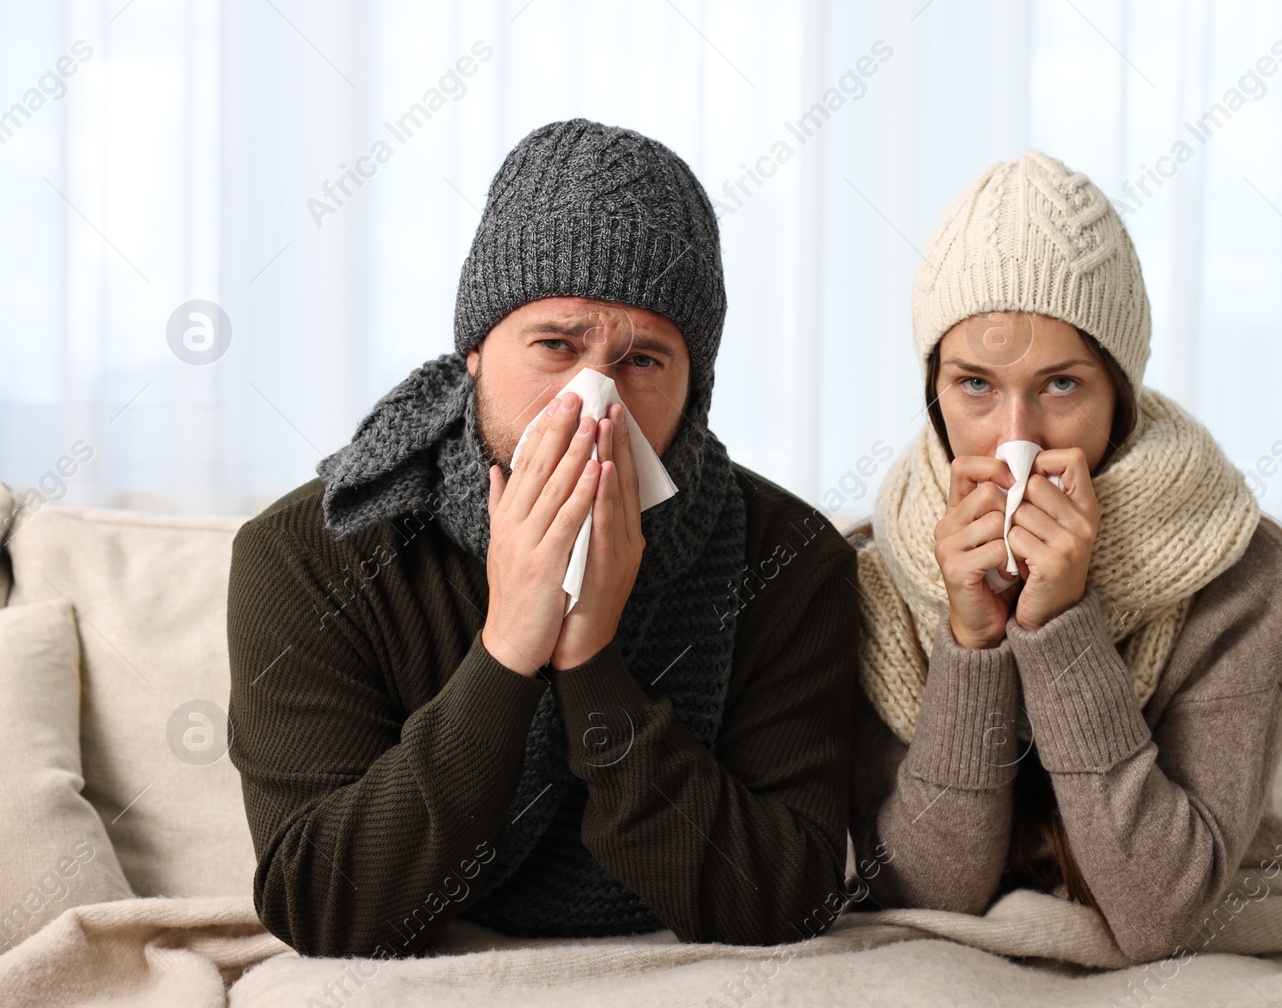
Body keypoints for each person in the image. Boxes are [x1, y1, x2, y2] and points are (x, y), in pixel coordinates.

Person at [226, 118, 858, 959]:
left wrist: (592, 660)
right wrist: (510, 645)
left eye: (642, 361)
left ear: (694, 391)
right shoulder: (311, 552)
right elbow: (324, 905)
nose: (593, 401)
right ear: (477, 353)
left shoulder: (788, 559)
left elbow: (786, 897)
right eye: (556, 345)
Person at [848, 150, 1282, 963]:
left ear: (1120, 391)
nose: (1016, 437)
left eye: (1061, 384)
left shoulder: (1244, 574)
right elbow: (928, 898)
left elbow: (1161, 914)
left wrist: (1064, 626)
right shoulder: (873, 571)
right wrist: (971, 646)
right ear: (934, 390)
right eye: (975, 384)